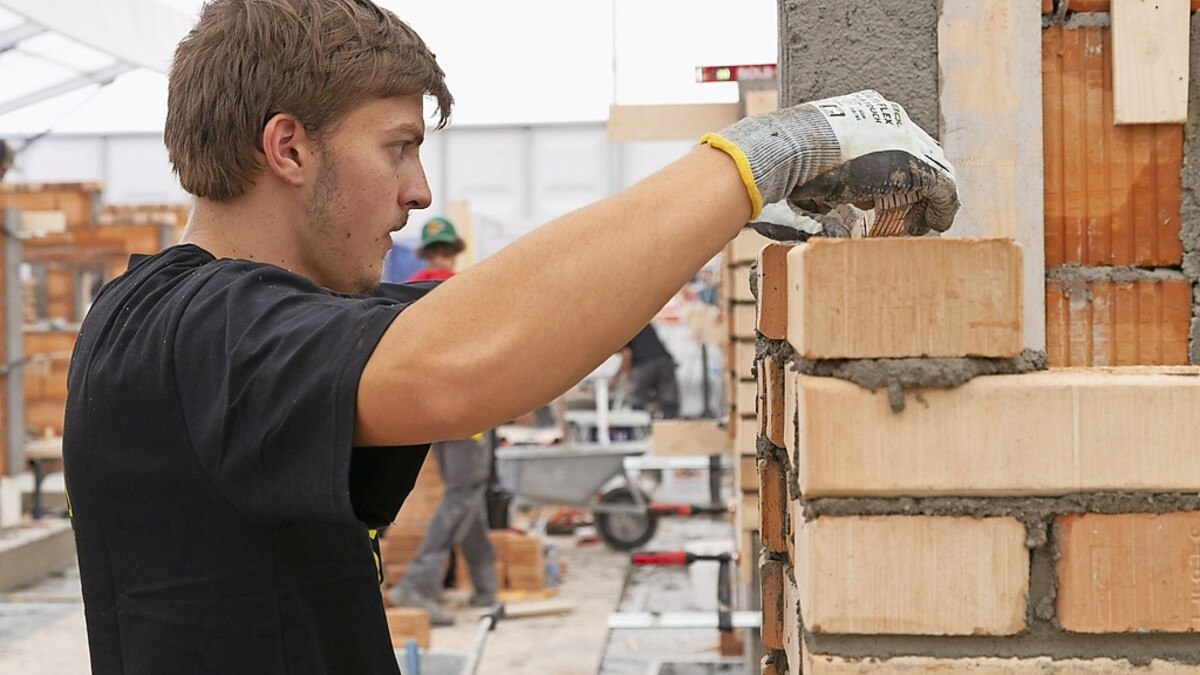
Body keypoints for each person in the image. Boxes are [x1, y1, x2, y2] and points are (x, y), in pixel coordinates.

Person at [60, 0, 959, 672]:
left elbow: (498, 318)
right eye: (397, 147)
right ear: (289, 149)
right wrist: (778, 152)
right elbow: (459, 366)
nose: (418, 191)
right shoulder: (190, 330)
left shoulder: (206, 321)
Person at [389, 217, 496, 626]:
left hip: (430, 410)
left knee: (464, 493)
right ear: (453, 251)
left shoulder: (407, 291)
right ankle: (418, 583)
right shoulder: (463, 290)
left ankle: (485, 588)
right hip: (468, 410)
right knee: (465, 491)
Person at [614, 322, 680, 419]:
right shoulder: (643, 320)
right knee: (669, 401)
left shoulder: (621, 327)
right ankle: (669, 426)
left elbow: (626, 355)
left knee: (637, 401)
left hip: (643, 365)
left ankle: (639, 428)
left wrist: (616, 379)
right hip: (663, 360)